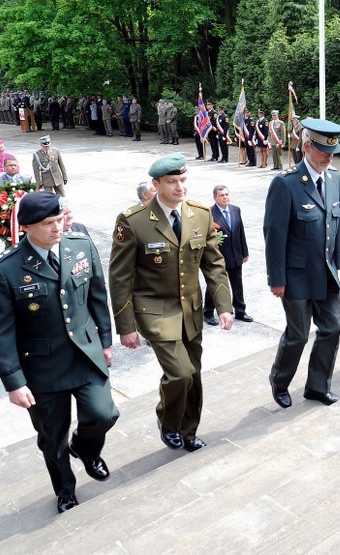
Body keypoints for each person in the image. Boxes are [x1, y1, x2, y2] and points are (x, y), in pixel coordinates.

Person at [0, 191, 118, 514]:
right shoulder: (5, 270)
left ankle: (86, 448)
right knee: (52, 439)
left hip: (85, 353)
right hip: (42, 370)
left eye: (59, 220)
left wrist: (105, 340)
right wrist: (14, 382)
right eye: (48, 223)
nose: (58, 228)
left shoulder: (80, 246)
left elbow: (97, 295)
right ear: (27, 226)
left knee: (104, 413)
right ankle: (65, 489)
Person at [109, 153, 233, 451]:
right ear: (156, 184)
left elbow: (214, 265)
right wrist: (126, 326)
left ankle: (188, 431)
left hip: (190, 311)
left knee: (194, 374)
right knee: (181, 373)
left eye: (182, 180)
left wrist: (224, 304)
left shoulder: (200, 215)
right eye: (171, 181)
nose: (180, 187)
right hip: (154, 311)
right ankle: (167, 419)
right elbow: (120, 277)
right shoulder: (134, 222)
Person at [263, 118, 340, 408]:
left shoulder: (334, 179)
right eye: (324, 150)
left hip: (325, 273)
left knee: (333, 328)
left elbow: (334, 226)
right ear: (306, 146)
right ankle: (280, 379)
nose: (329, 156)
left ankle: (317, 386)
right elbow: (274, 235)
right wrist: (277, 279)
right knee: (297, 334)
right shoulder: (285, 184)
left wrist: (336, 264)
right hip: (296, 275)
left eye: (333, 150)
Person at [203, 186, 252, 325]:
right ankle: (208, 312)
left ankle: (240, 311)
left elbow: (240, 231)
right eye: (221, 195)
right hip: (218, 257)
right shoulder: (209, 213)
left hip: (236, 254)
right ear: (215, 198)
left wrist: (245, 251)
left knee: (237, 284)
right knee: (215, 285)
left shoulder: (236, 210)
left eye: (226, 194)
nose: (225, 197)